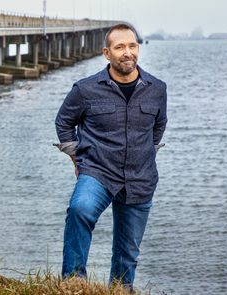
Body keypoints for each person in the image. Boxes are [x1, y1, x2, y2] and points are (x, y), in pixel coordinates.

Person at [54, 23, 167, 291]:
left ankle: (120, 291)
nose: (127, 52)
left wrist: (145, 155)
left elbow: (158, 127)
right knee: (80, 208)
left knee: (127, 254)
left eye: (132, 46)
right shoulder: (85, 89)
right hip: (98, 171)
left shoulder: (158, 89)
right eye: (120, 47)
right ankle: (73, 283)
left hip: (140, 179)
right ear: (107, 53)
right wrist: (77, 159)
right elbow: (63, 122)